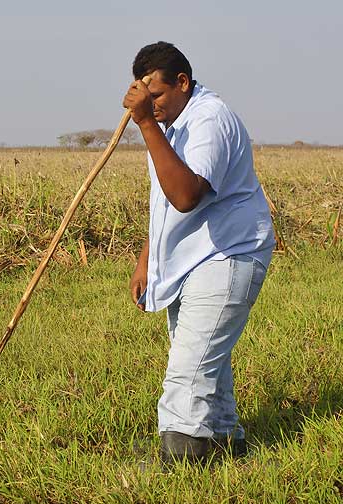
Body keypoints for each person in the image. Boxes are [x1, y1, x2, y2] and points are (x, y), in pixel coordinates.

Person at [122, 42, 275, 463]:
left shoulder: (209, 119)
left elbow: (187, 195)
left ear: (183, 83)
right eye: (144, 97)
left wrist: (145, 124)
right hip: (193, 257)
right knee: (206, 358)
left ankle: (180, 464)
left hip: (228, 253)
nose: (150, 106)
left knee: (189, 369)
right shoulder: (172, 125)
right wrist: (145, 262)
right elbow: (164, 201)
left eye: (156, 96)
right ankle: (226, 443)